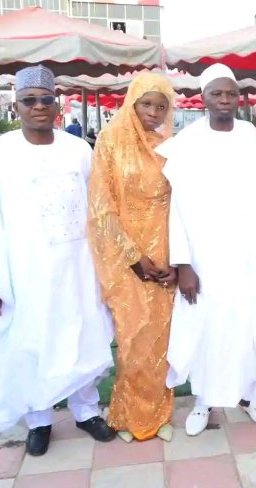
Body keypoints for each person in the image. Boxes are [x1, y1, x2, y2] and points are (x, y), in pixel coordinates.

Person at [0, 65, 115, 457]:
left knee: (82, 334)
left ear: (56, 104)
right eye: (30, 100)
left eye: (46, 99)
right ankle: (39, 420)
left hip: (78, 265)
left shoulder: (78, 149)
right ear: (16, 106)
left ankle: (86, 411)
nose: (39, 106)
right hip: (24, 269)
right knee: (31, 341)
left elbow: (98, 208)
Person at [156, 63, 256, 437]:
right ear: (204, 98)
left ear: (239, 98)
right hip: (206, 258)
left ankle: (252, 397)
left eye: (231, 93)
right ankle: (204, 402)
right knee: (207, 327)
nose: (225, 100)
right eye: (217, 93)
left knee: (254, 324)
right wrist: (183, 264)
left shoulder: (254, 138)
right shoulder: (188, 143)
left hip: (254, 254)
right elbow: (176, 207)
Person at [87, 73, 177, 443]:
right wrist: (133, 257)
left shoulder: (170, 146)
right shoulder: (110, 143)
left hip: (166, 253)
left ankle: (159, 413)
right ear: (132, 104)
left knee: (161, 337)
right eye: (146, 104)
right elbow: (101, 207)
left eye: (161, 106)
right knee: (133, 337)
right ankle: (127, 414)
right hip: (126, 258)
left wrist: (178, 259)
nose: (153, 113)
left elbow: (183, 204)